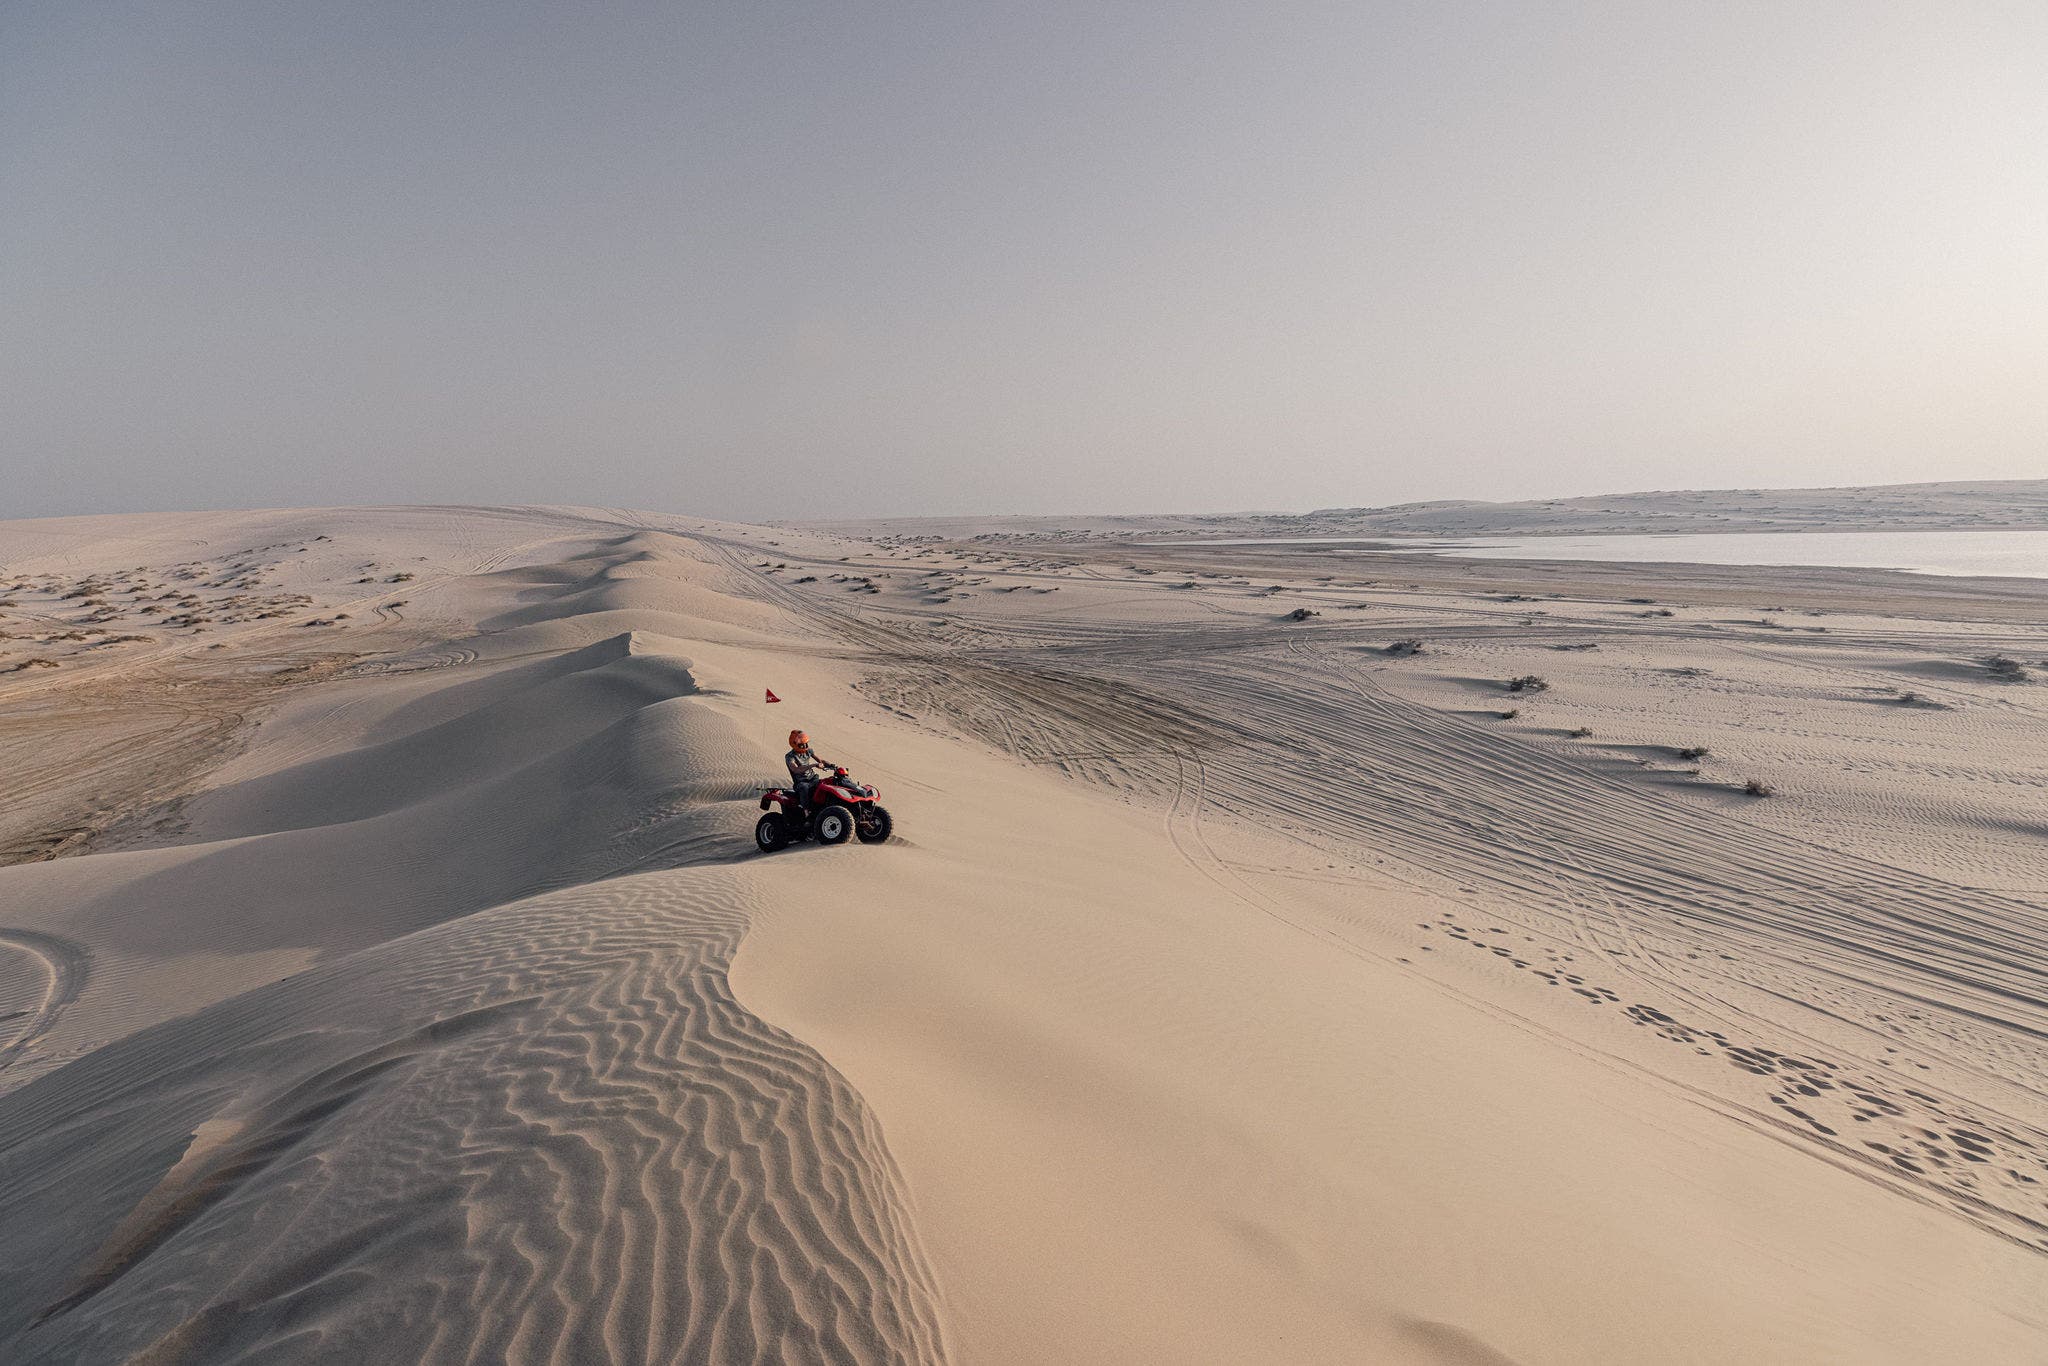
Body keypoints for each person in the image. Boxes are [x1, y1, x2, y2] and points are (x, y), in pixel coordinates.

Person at [785, 730, 835, 811]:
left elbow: (820, 761)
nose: (805, 746)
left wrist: (831, 765)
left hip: (813, 778)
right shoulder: (790, 757)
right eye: (802, 744)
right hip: (801, 782)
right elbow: (795, 769)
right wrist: (813, 765)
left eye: (806, 743)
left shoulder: (808, 751)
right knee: (804, 788)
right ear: (794, 744)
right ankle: (806, 811)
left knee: (827, 784)